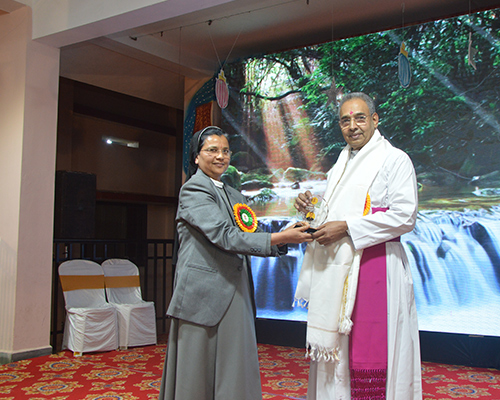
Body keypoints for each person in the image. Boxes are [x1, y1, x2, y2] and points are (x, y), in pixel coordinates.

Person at [159, 126, 313, 400]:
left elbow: (250, 234)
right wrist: (281, 237)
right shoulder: (193, 189)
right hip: (203, 292)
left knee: (235, 366)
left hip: (236, 288)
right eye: (212, 150)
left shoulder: (234, 195)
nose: (220, 156)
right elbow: (225, 236)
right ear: (196, 156)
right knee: (197, 370)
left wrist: (288, 233)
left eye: (225, 151)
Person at [294, 93, 422, 400]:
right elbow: (330, 215)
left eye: (360, 118)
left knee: (374, 348)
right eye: (345, 120)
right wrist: (309, 208)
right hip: (339, 268)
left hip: (378, 265)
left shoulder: (394, 159)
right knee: (339, 349)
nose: (353, 126)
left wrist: (348, 227)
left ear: (375, 120)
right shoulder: (340, 165)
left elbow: (405, 216)